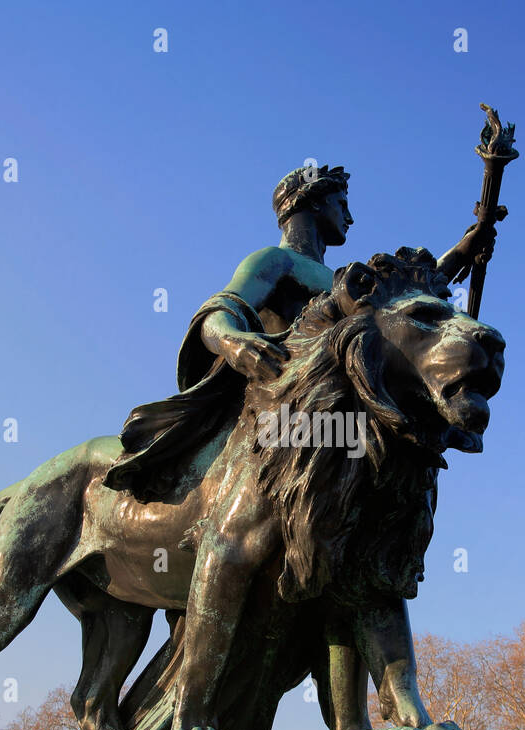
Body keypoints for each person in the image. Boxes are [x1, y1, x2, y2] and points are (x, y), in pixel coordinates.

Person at [105, 164, 498, 499]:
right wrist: (233, 341)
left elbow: (406, 302)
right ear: (312, 201)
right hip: (277, 408)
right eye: (341, 204)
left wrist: (467, 245)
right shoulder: (276, 261)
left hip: (329, 415)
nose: (350, 217)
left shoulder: (346, 280)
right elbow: (220, 309)